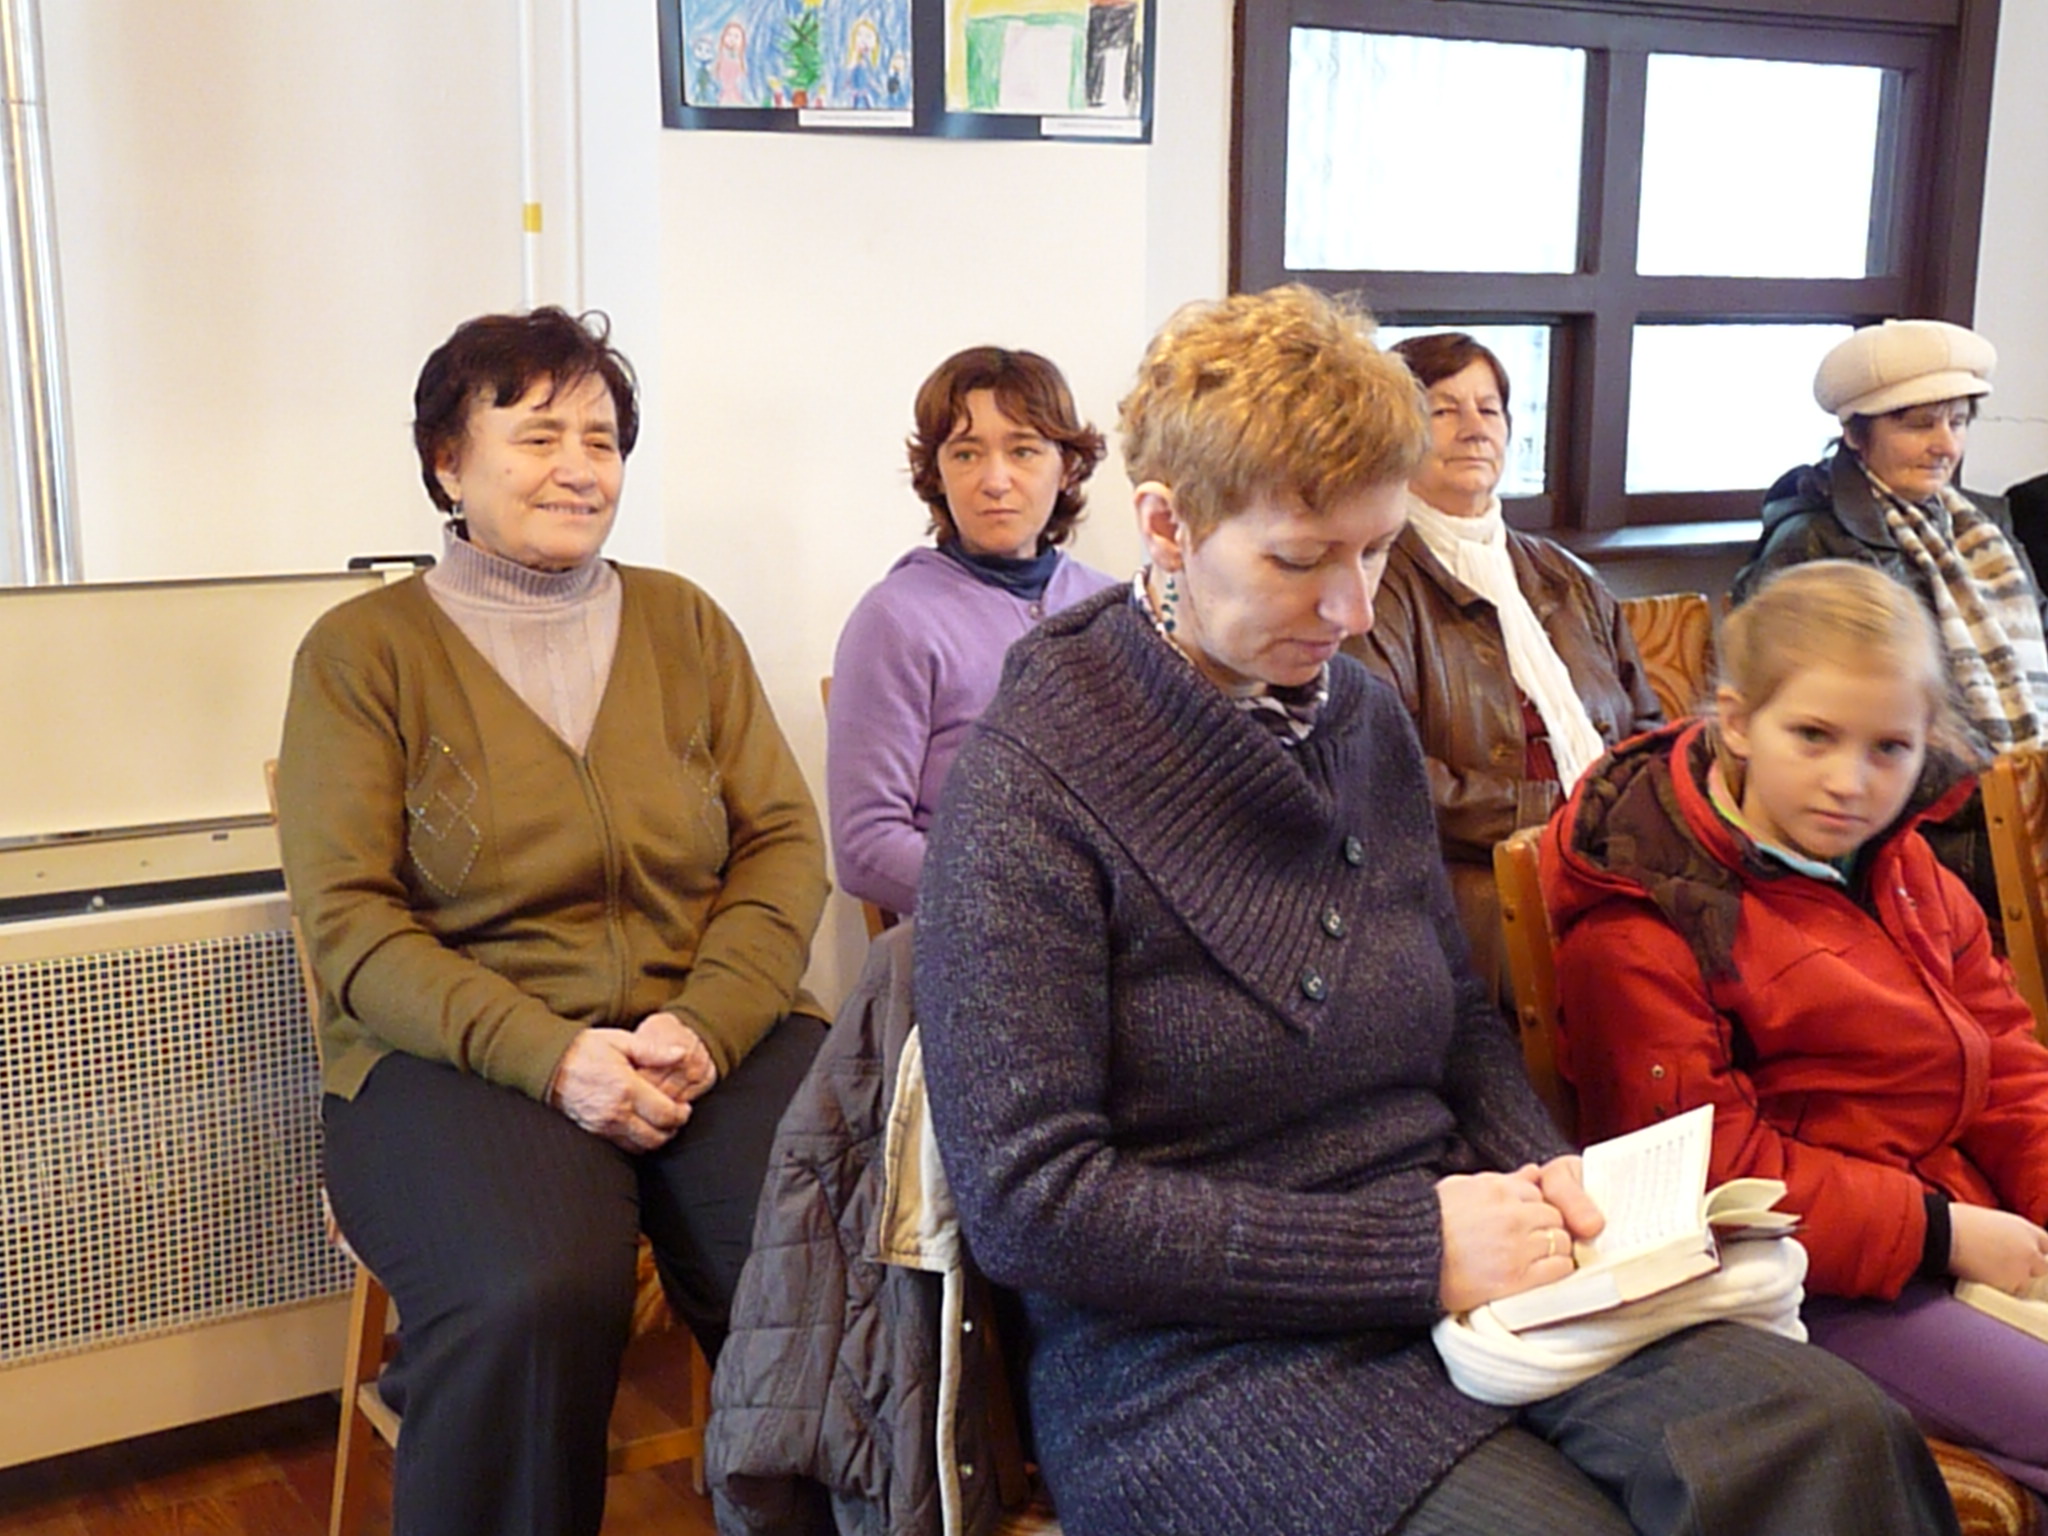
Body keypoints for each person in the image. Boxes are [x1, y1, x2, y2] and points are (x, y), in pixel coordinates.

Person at [913, 286, 1959, 1536]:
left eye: (1373, 551)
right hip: (1190, 1357)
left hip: (1473, 1262)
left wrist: (1541, 1176)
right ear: (1165, 525)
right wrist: (1413, 1251)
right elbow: (1032, 1206)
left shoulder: (1355, 720)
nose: (1352, 609)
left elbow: (1456, 1016)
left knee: (1831, 1434)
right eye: (1301, 560)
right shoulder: (1029, 780)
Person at [274, 307, 829, 1536]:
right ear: (447, 462)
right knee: (532, 1292)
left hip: (704, 1030)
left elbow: (784, 846)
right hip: (456, 1056)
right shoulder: (362, 653)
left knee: (828, 1260)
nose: (579, 467)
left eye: (602, 439)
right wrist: (554, 1056)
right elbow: (352, 925)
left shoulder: (686, 622)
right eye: (536, 436)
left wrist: (708, 1020)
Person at [1544, 559, 2048, 1500]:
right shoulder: (1644, 919)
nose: (1850, 782)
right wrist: (1940, 1234)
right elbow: (1704, 1172)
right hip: (1801, 1282)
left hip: (1953, 1225)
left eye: (1889, 748)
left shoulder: (1906, 870)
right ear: (1737, 722)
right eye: (1813, 736)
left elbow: (2009, 1068)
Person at [1348, 332, 1660, 1003]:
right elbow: (1379, 772)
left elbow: (1648, 726)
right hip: (1478, 892)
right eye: (1443, 410)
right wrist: (1558, 811)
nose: (1474, 429)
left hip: (1613, 857)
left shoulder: (1566, 577)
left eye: (1489, 410)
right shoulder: (1373, 582)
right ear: (1393, 435)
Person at [1733, 318, 2048, 910]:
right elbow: (1844, 734)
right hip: (1915, 829)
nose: (1945, 445)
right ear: (1856, 434)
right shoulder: (1812, 544)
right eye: (1919, 424)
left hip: (2012, 799)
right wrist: (2014, 788)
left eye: (1958, 422)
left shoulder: (1985, 529)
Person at [826, 345, 1116, 917]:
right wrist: (1026, 904)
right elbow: (866, 846)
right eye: (966, 454)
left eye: (1023, 450)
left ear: (1067, 467)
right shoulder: (895, 620)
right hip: (982, 935)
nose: (995, 481)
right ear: (937, 474)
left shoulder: (1114, 611)